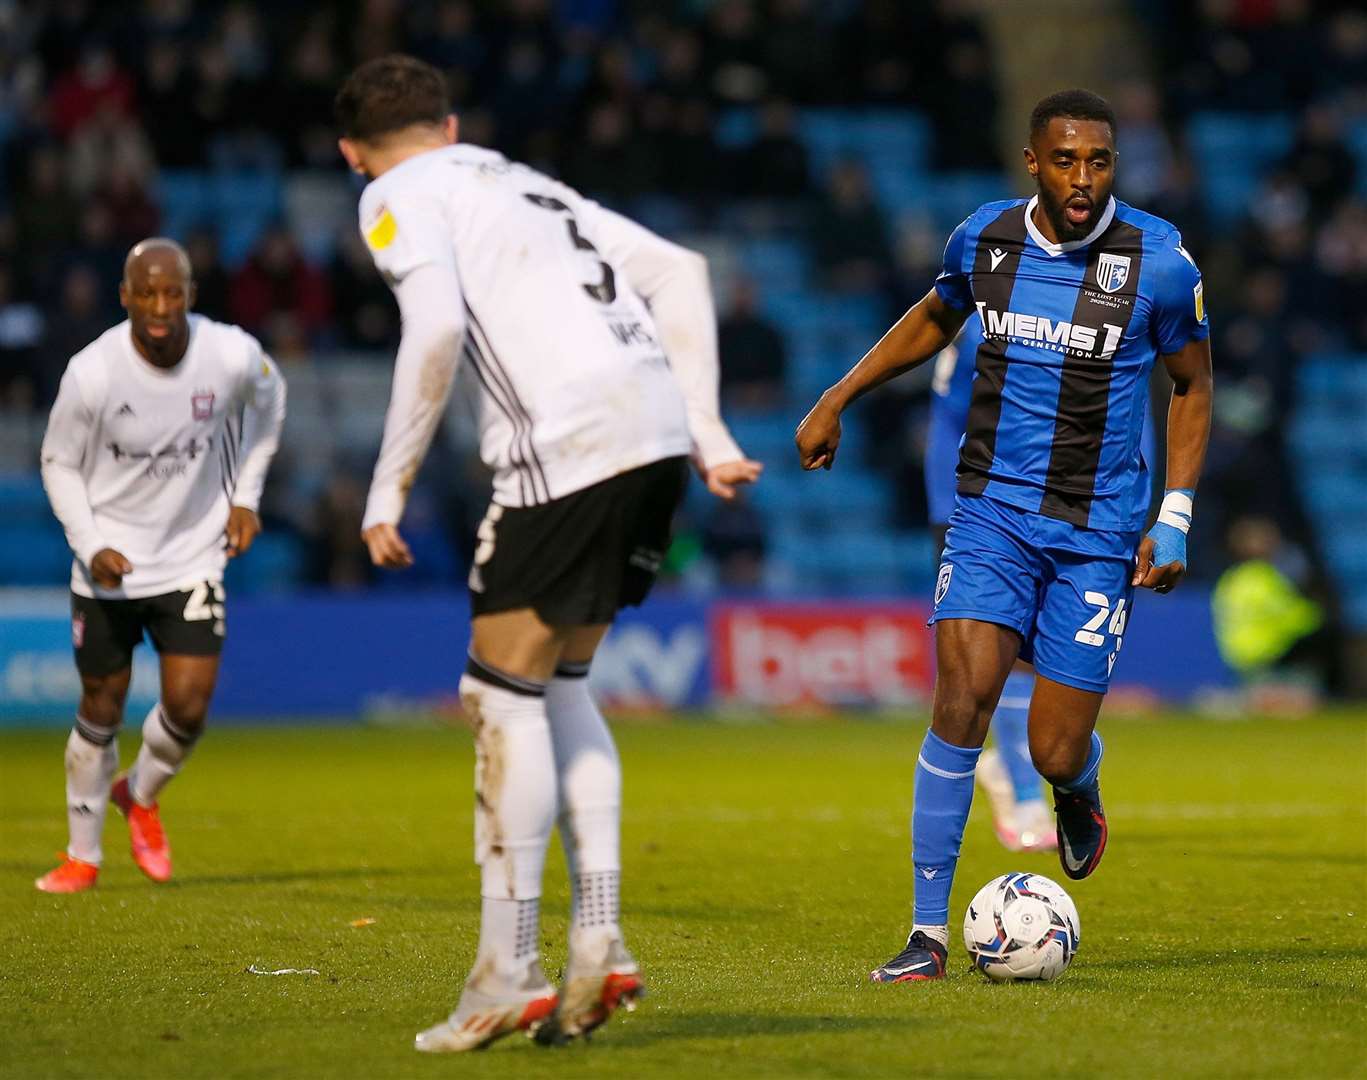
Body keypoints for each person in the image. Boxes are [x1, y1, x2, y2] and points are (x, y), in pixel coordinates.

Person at [334, 55, 760, 1052]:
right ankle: (599, 938)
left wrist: (386, 485)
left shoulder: (395, 194)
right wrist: (703, 425)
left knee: (496, 696)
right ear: (446, 125)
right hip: (649, 434)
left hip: (565, 443)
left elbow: (433, 326)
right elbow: (679, 271)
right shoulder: (518, 178)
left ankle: (505, 969)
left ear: (354, 154)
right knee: (560, 687)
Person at [796, 89, 1213, 982]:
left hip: (1097, 530)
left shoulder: (1160, 262)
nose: (1081, 178)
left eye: (1097, 161)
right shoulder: (983, 238)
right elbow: (933, 316)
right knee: (960, 702)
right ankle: (925, 936)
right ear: (1033, 161)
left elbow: (1192, 384)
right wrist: (838, 396)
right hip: (988, 514)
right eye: (1064, 160)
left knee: (1052, 746)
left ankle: (1077, 785)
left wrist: (1172, 516)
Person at [35, 238, 287, 894]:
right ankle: (82, 857)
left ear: (189, 296)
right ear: (124, 296)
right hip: (109, 564)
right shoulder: (93, 372)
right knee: (101, 706)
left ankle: (140, 794)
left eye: (172, 292)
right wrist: (90, 544)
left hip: (192, 557)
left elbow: (271, 402)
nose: (159, 306)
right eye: (146, 292)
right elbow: (57, 462)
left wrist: (247, 497)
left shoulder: (229, 354)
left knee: (188, 707)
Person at [924, 313, 1055, 853]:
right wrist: (943, 512)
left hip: (1072, 508)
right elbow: (948, 419)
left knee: (1045, 657)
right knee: (1005, 655)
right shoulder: (986, 324)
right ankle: (1026, 793)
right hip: (991, 513)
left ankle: (1013, 770)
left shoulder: (1100, 316)